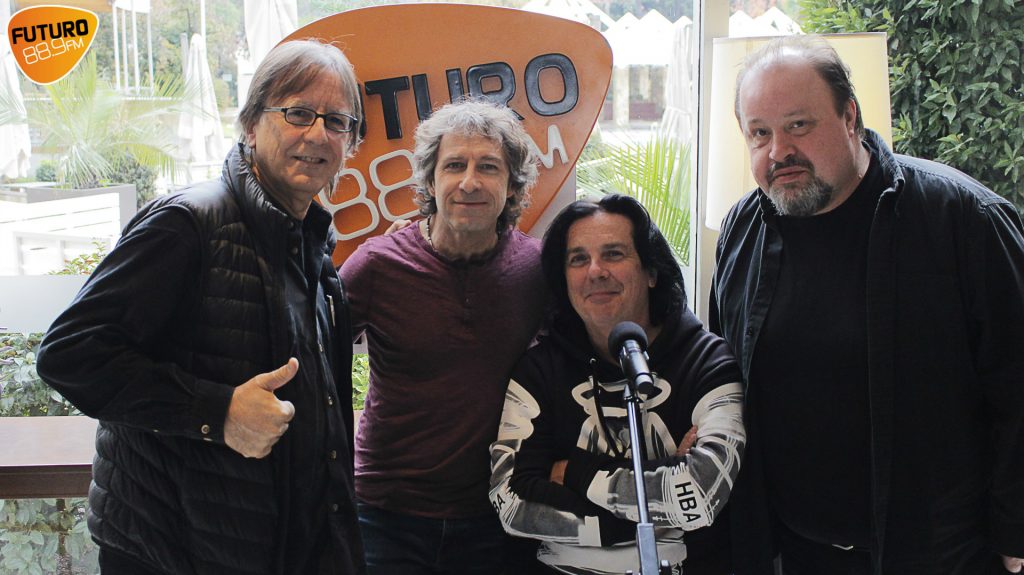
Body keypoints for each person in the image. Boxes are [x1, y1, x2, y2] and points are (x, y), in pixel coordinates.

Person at [35, 40, 365, 575]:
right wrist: (219, 412)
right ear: (251, 124)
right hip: (171, 553)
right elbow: (69, 355)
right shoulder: (187, 223)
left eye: (336, 121)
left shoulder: (312, 248)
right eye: (298, 113)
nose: (317, 134)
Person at [710, 35, 1024, 575]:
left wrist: (1016, 531)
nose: (779, 151)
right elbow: (725, 376)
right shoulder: (743, 229)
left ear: (850, 117)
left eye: (798, 125)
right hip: (794, 552)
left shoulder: (964, 219)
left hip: (941, 556)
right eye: (760, 133)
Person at [338, 99, 548, 574]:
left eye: (488, 167)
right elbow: (309, 353)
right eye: (454, 165)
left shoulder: (536, 269)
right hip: (384, 514)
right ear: (430, 182)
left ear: (512, 186)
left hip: (496, 514)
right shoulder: (377, 264)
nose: (469, 182)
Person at [489, 194, 746, 574]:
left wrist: (574, 473)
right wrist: (653, 506)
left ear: (651, 271)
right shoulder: (538, 371)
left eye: (613, 254)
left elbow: (700, 495)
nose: (595, 271)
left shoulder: (709, 363)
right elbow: (511, 504)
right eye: (578, 259)